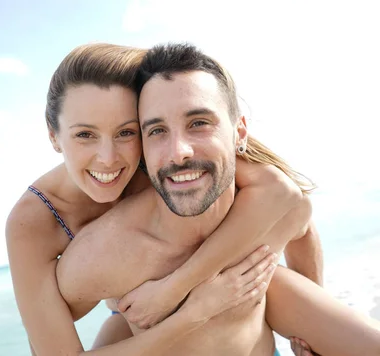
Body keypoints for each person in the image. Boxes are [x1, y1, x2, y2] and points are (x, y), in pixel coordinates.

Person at [55, 43, 380, 355]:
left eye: (198, 123)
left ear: (239, 132)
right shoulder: (102, 255)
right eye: (156, 130)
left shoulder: (269, 211)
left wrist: (311, 336)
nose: (179, 152)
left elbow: (302, 226)